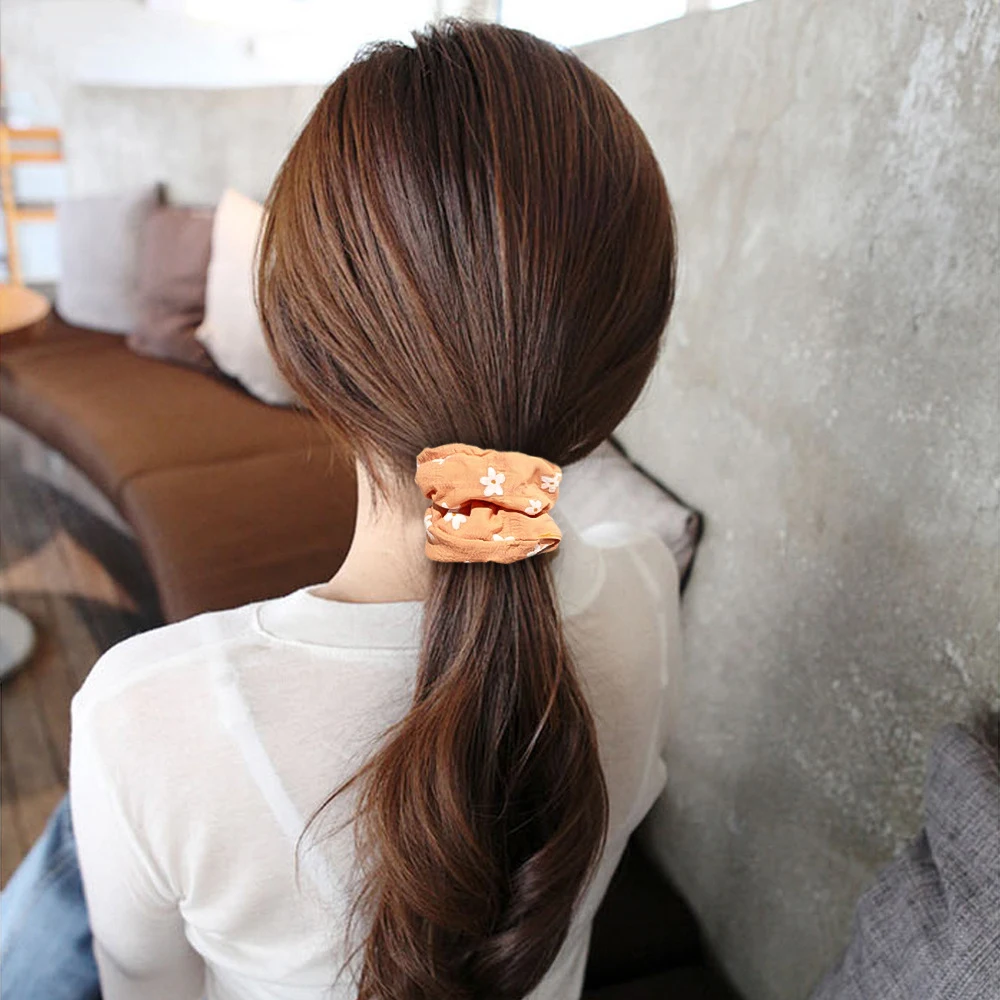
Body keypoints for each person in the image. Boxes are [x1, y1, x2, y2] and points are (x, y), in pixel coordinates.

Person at [2, 17, 680, 1000]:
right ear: (627, 366)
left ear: (301, 344)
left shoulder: (144, 717)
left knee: (81, 840)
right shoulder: (648, 589)